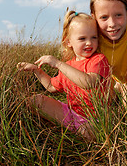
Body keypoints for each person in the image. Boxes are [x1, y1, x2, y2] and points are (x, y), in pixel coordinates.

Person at [17, 11, 110, 141]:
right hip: (72, 113)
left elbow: (89, 82)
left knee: (88, 132)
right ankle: (68, 128)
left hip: (96, 118)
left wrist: (58, 64)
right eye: (82, 39)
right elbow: (51, 87)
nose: (89, 43)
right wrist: (36, 71)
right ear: (68, 42)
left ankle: (75, 132)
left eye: (93, 37)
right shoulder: (68, 65)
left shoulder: (99, 60)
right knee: (36, 100)